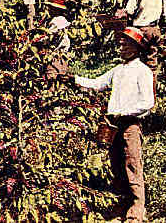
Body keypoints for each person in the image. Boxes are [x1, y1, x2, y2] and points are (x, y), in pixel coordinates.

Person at [66, 27, 154, 223]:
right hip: (114, 125)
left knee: (132, 165)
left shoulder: (143, 71)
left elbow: (148, 102)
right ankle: (122, 205)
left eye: (125, 44)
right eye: (121, 43)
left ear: (136, 48)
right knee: (116, 165)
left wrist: (124, 112)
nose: (121, 46)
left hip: (130, 124)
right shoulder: (118, 70)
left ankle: (136, 211)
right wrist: (73, 79)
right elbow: (98, 83)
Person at [117, 0, 166, 99]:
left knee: (134, 63)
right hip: (155, 30)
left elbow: (130, 11)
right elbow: (164, 14)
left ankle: (135, 97)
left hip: (140, 30)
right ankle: (151, 98)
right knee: (151, 65)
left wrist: (121, 12)